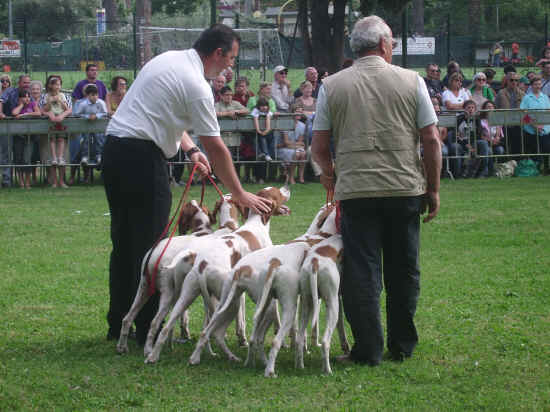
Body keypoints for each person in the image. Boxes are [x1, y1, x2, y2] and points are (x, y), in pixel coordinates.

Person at [102, 23, 271, 345]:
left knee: (124, 244)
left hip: (115, 152)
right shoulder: (196, 84)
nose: (231, 66)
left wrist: (190, 149)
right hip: (141, 159)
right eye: (232, 58)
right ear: (218, 53)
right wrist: (239, 194)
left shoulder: (169, 60)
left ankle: (118, 323)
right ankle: (146, 330)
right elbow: (217, 147)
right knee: (153, 248)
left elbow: (165, 115)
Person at [311, 15, 441, 366]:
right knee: (404, 270)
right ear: (385, 45)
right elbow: (430, 139)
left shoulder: (332, 86)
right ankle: (402, 345)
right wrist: (433, 188)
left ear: (356, 47)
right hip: (404, 189)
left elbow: (319, 146)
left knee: (362, 272)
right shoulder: (412, 81)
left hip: (356, 193)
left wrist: (331, 176)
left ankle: (366, 351)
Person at [0, 74, 32, 187]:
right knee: (6, 154)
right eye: (24, 83)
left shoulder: (29, 94)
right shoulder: (10, 91)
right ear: (19, 83)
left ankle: (23, 182)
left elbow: (34, 107)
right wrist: (1, 113)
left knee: (21, 155)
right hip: (7, 125)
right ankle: (6, 181)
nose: (27, 85)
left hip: (22, 129)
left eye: (28, 83)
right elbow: (1, 100)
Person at [11, 89, 41, 188]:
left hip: (30, 137)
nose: (27, 98)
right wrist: (21, 106)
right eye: (24, 96)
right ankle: (21, 181)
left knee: (27, 159)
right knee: (18, 158)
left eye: (28, 96)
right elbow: (14, 113)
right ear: (20, 98)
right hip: (18, 136)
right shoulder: (16, 105)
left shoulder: (32, 104)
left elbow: (38, 113)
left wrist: (24, 114)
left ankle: (27, 182)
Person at [520, 75, 550, 173]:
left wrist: (542, 126)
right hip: (530, 129)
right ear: (531, 86)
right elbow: (523, 113)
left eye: (539, 84)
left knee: (546, 148)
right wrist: (535, 125)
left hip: (544, 129)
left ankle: (546, 167)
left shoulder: (545, 97)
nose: (538, 86)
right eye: (535, 84)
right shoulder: (527, 98)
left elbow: (548, 112)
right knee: (533, 150)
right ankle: (534, 169)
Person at [74, 83, 108, 167]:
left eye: (96, 95)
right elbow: (77, 114)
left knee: (99, 139)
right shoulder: (83, 104)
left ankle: (99, 156)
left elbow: (105, 113)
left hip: (97, 126)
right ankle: (85, 156)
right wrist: (87, 117)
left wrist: (96, 116)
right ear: (88, 96)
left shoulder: (101, 103)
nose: (95, 97)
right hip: (86, 126)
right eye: (92, 95)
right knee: (86, 140)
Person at [277, 107, 306, 184]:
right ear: (292, 112)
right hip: (282, 148)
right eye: (297, 111)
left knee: (303, 153)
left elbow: (301, 142)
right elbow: (286, 142)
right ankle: (291, 177)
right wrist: (297, 145)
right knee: (296, 153)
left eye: (300, 112)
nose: (299, 113)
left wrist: (296, 145)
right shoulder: (285, 123)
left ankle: (301, 178)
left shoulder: (302, 125)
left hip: (293, 147)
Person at [479, 100, 505, 175]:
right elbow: (482, 134)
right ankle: (488, 170)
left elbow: (499, 133)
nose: (490, 108)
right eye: (488, 107)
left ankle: (495, 169)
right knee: (489, 151)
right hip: (486, 142)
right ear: (484, 109)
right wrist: (490, 140)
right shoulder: (481, 121)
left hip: (495, 142)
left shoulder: (498, 119)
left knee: (500, 150)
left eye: (491, 107)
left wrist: (497, 138)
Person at [251, 97, 274, 161]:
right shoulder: (255, 110)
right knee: (256, 139)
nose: (264, 107)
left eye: (266, 106)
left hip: (267, 132)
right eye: (262, 106)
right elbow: (255, 119)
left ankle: (266, 154)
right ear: (258, 106)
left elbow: (268, 121)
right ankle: (262, 154)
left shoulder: (268, 112)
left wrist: (265, 131)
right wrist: (258, 130)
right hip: (257, 132)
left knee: (263, 137)